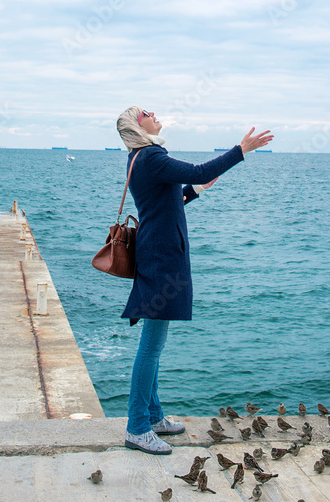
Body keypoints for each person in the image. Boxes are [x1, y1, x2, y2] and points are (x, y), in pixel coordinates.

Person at [115, 105, 273, 454]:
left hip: (158, 253)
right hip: (160, 259)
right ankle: (137, 426)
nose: (153, 112)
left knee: (153, 344)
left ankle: (153, 416)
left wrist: (195, 191)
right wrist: (240, 150)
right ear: (137, 126)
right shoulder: (152, 156)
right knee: (151, 348)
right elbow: (200, 168)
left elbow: (163, 206)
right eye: (146, 112)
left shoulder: (141, 159)